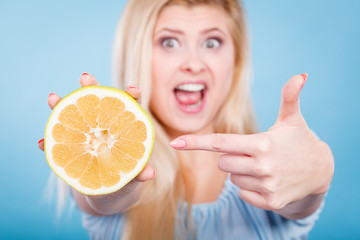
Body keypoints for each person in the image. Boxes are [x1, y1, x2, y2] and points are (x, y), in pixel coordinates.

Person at [38, 0, 334, 239]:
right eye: (169, 42)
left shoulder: (273, 168)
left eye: (211, 43)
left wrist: (319, 169)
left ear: (236, 58)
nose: (193, 63)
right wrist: (113, 182)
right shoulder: (100, 158)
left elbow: (299, 202)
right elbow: (103, 201)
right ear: (138, 54)